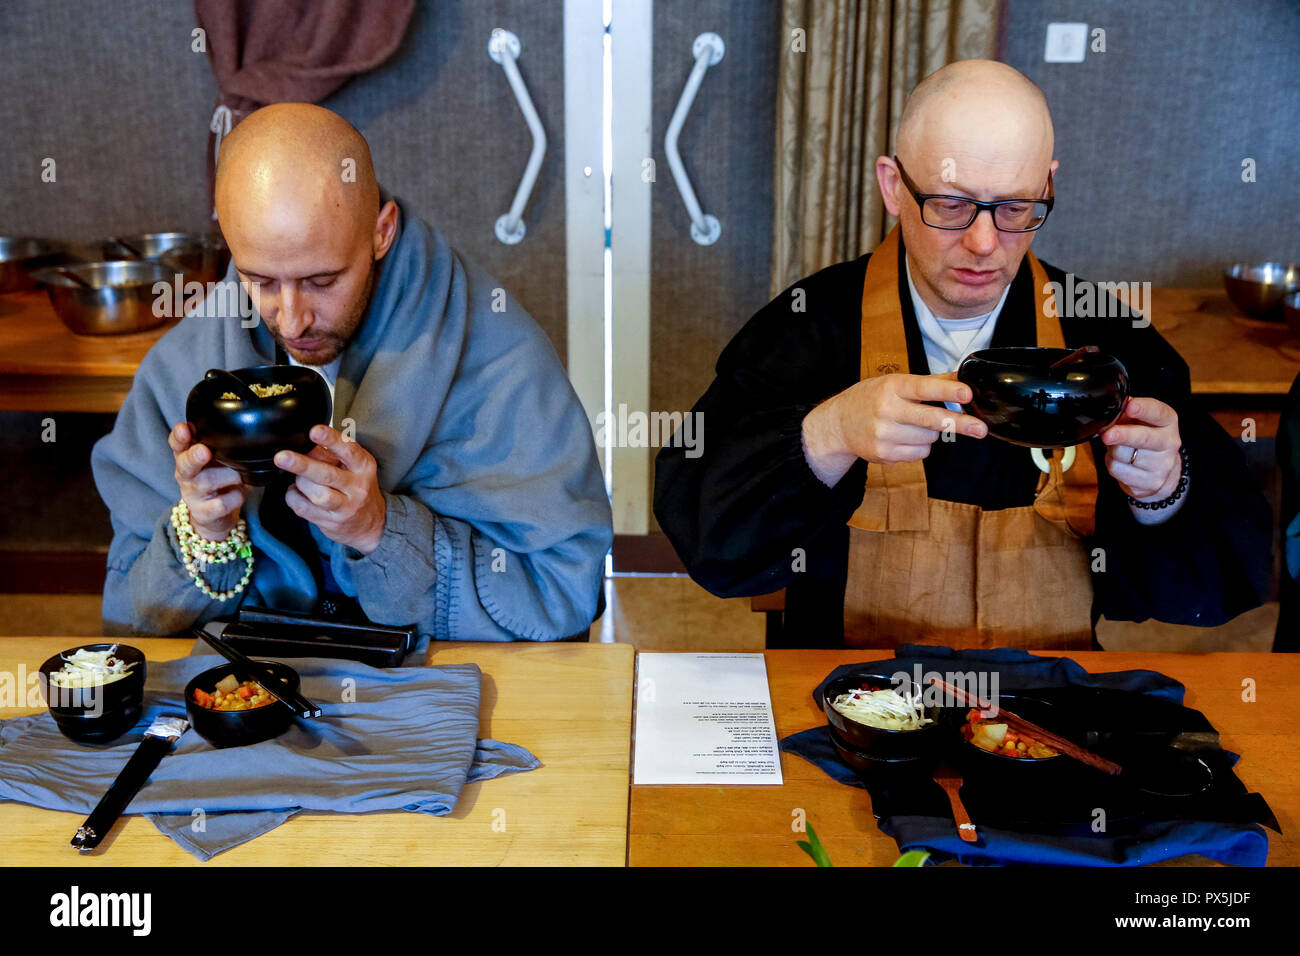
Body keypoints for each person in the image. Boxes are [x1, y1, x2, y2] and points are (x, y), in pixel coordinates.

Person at [655, 60, 1270, 649]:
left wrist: (1163, 492)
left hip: (1044, 714)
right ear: (894, 187)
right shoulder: (809, 327)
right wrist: (828, 434)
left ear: (1047, 186)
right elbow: (710, 545)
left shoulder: (1103, 338)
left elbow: (1215, 591)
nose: (983, 243)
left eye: (1014, 208)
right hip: (849, 715)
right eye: (951, 205)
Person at [92, 103, 612, 644]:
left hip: (438, 688)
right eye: (260, 280)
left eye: (322, 280)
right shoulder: (183, 368)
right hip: (260, 688)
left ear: (381, 232)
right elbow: (132, 617)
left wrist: (379, 529)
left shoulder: (497, 354)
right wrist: (203, 534)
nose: (291, 319)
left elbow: (562, 591)